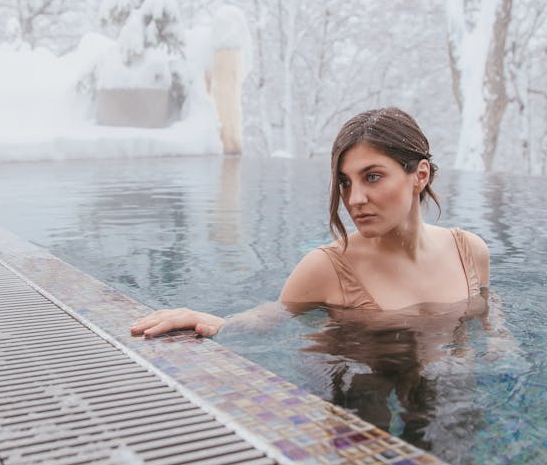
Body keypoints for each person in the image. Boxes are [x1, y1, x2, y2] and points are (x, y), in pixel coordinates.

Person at [130, 107, 491, 341]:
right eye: (346, 182)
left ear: (420, 175)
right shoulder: (328, 267)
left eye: (373, 176)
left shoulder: (469, 251)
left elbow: (488, 307)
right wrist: (211, 322)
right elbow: (269, 316)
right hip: (362, 406)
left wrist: (501, 339)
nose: (354, 199)